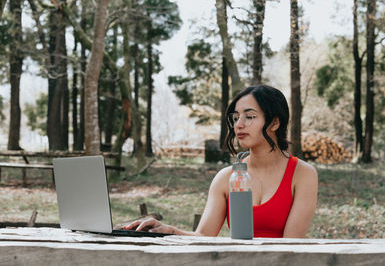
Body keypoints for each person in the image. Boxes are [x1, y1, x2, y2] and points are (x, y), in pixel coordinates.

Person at [124, 85, 318, 238]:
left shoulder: (303, 174)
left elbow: (291, 245)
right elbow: (203, 236)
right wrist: (169, 230)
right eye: (235, 118)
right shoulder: (226, 177)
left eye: (249, 116)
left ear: (275, 123)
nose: (239, 125)